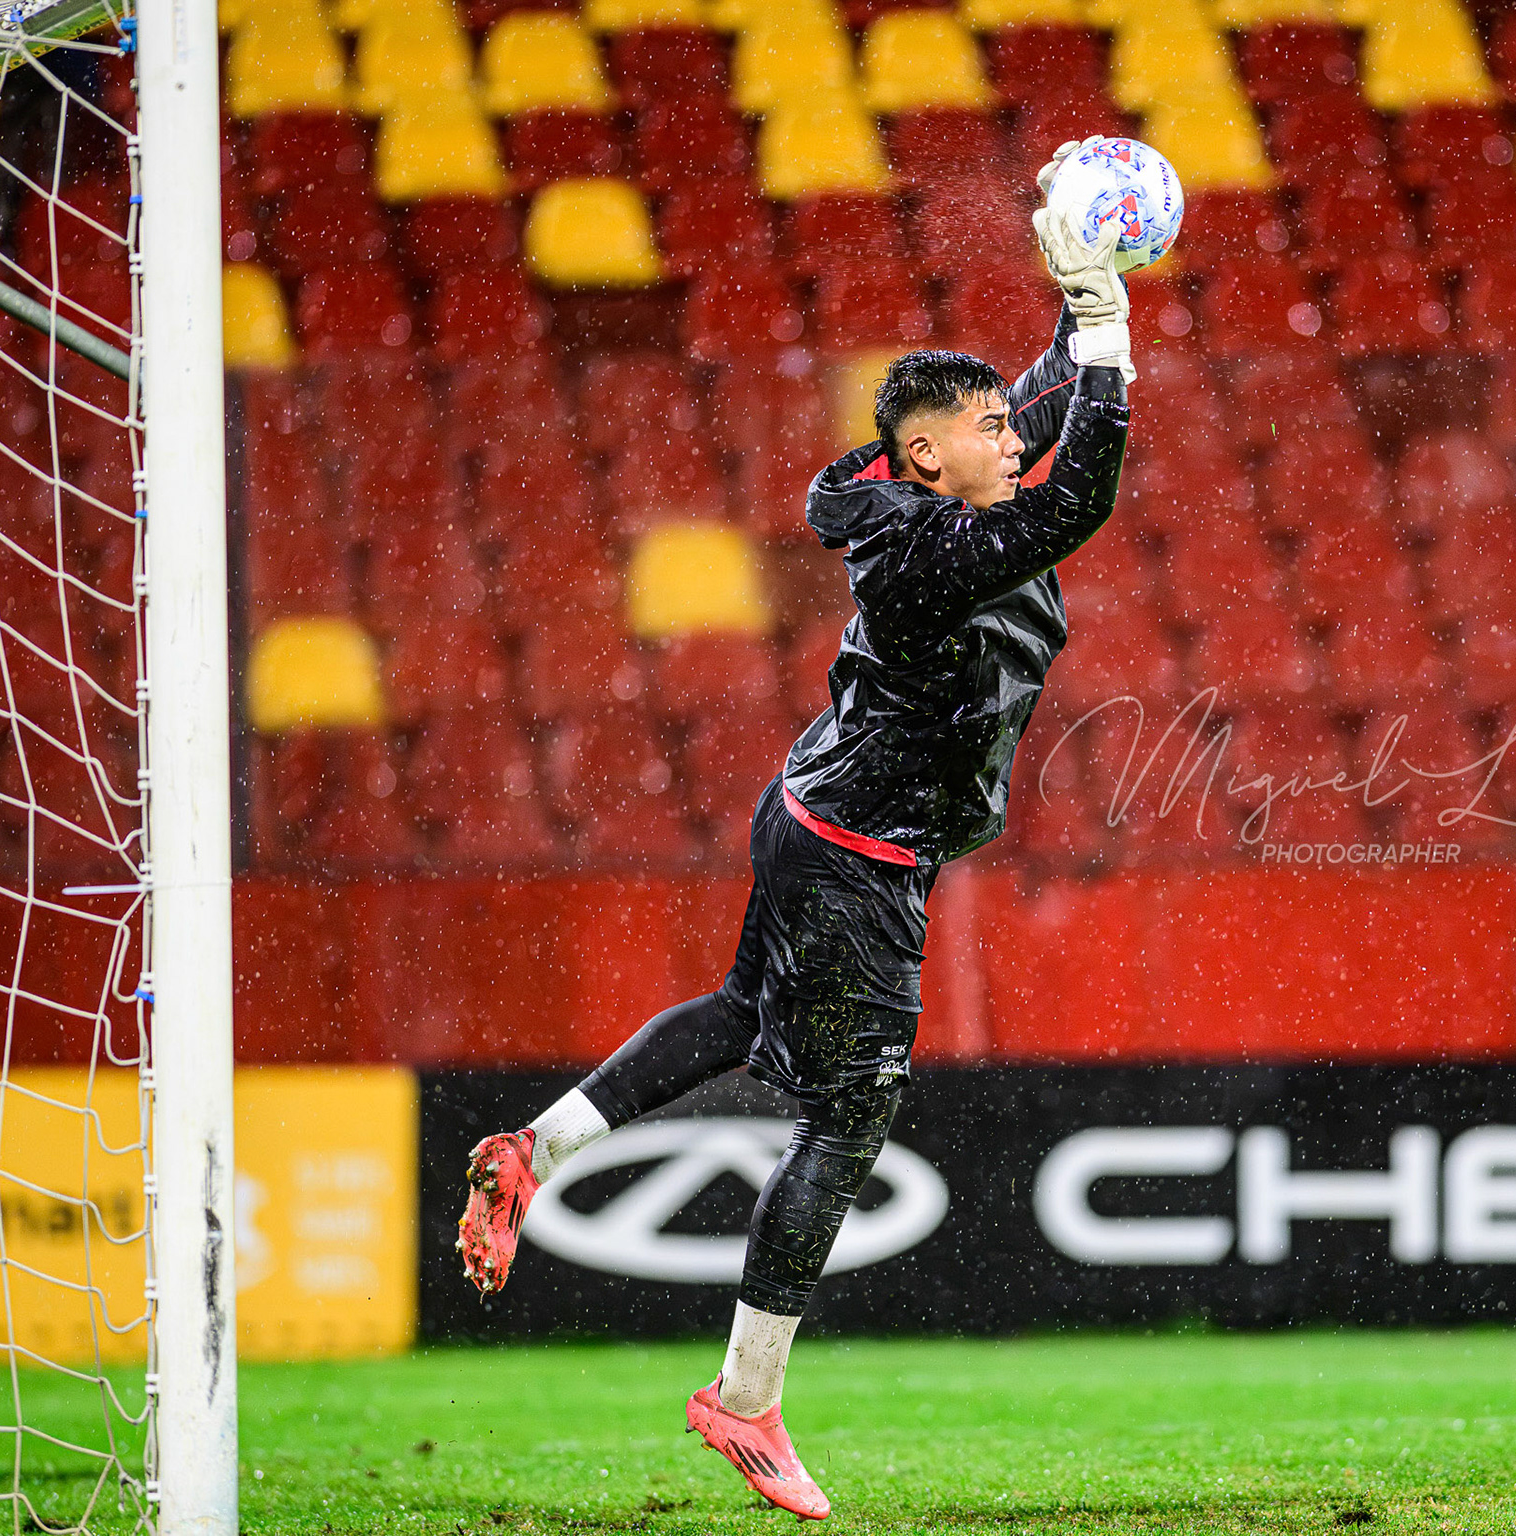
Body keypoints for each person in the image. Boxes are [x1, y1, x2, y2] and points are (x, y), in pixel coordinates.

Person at [456, 145, 1136, 1522]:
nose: (1017, 435)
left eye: (1012, 419)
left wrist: (1080, 292)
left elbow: (1028, 420)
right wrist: (1108, 337)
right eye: (988, 429)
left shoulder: (890, 497)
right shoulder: (948, 550)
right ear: (929, 457)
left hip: (812, 807)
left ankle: (537, 1147)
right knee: (852, 1108)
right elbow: (1085, 493)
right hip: (861, 856)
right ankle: (744, 1402)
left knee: (738, 1009)